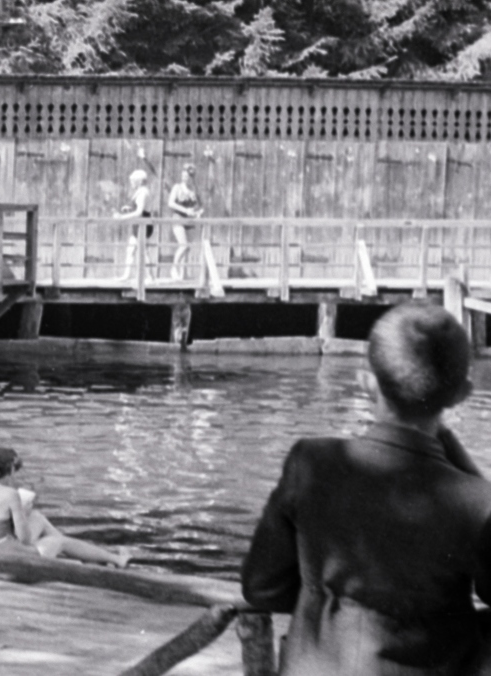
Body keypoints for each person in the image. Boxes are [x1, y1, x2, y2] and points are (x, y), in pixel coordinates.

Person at [242, 302, 491, 674]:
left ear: (366, 382)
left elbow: (262, 588)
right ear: (462, 394)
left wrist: (335, 605)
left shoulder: (310, 463)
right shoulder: (476, 503)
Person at [0, 447, 132, 567]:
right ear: (10, 471)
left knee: (37, 518)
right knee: (59, 542)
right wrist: (23, 513)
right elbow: (24, 539)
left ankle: (81, 555)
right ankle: (116, 559)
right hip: (14, 561)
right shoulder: (9, 494)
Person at [114, 152, 155, 283]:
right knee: (131, 250)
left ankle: (151, 278)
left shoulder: (143, 192)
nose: (131, 182)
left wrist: (122, 217)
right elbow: (136, 209)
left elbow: (139, 212)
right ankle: (126, 275)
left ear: (139, 181)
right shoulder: (139, 191)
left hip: (143, 224)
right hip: (138, 224)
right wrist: (128, 209)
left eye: (133, 180)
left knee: (143, 252)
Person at [166, 163, 203, 281]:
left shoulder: (194, 190)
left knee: (188, 248)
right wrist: (185, 210)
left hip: (190, 220)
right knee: (183, 245)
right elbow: (170, 203)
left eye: (187, 176)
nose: (184, 178)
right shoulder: (177, 187)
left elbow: (201, 206)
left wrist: (198, 213)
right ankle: (173, 269)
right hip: (178, 218)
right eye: (183, 176)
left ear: (192, 177)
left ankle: (183, 273)